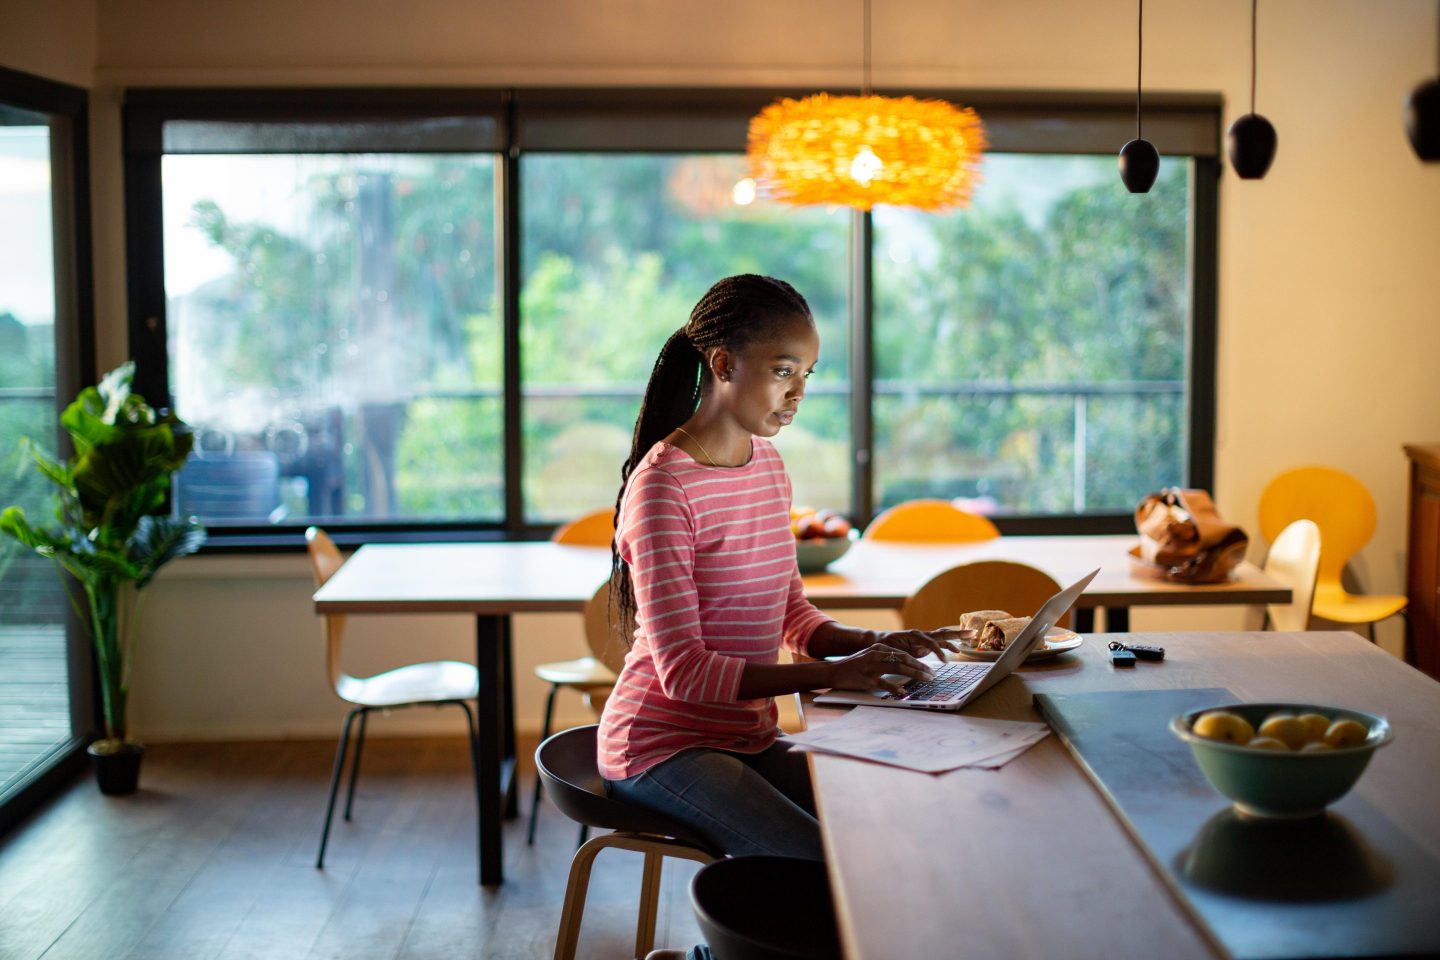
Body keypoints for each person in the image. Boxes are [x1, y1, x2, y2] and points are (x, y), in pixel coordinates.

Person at [600, 274, 971, 870]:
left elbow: (792, 611)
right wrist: (835, 674)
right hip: (663, 747)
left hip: (746, 738)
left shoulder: (768, 465)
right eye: (783, 371)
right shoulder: (663, 487)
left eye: (808, 374)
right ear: (723, 364)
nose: (799, 393)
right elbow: (684, 674)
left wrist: (875, 645)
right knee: (823, 868)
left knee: (890, 824)